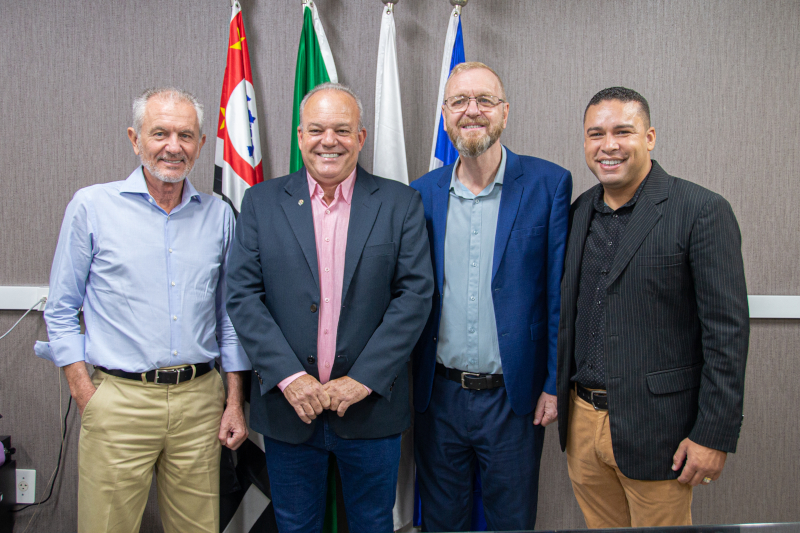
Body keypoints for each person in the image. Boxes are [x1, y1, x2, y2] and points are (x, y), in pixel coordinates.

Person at [35, 87, 250, 533]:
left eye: (186, 135)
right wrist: (85, 393)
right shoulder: (92, 207)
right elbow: (60, 311)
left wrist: (233, 401)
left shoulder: (219, 216)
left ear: (201, 145)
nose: (174, 146)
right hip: (118, 401)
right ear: (135, 139)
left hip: (199, 402)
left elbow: (229, 319)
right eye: (161, 133)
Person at [225, 82, 433, 533]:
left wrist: (363, 380)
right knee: (295, 525)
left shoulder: (400, 203)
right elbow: (242, 295)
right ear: (300, 136)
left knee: (372, 525)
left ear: (360, 137)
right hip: (288, 410)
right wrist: (290, 377)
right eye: (317, 129)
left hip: (370, 409)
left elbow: (414, 296)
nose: (328, 140)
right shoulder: (261, 203)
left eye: (342, 129)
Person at [556, 86, 749, 528]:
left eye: (623, 131)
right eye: (596, 133)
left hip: (660, 430)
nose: (609, 145)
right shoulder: (577, 212)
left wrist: (712, 435)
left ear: (650, 137)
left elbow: (727, 334)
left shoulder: (700, 210)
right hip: (583, 423)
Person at [410, 62, 572, 531]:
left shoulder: (548, 185)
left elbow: (558, 295)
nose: (472, 111)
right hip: (437, 396)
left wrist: (551, 383)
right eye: (459, 101)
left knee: (512, 522)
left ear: (505, 112)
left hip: (514, 398)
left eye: (484, 100)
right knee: (442, 521)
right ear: (445, 116)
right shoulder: (420, 195)